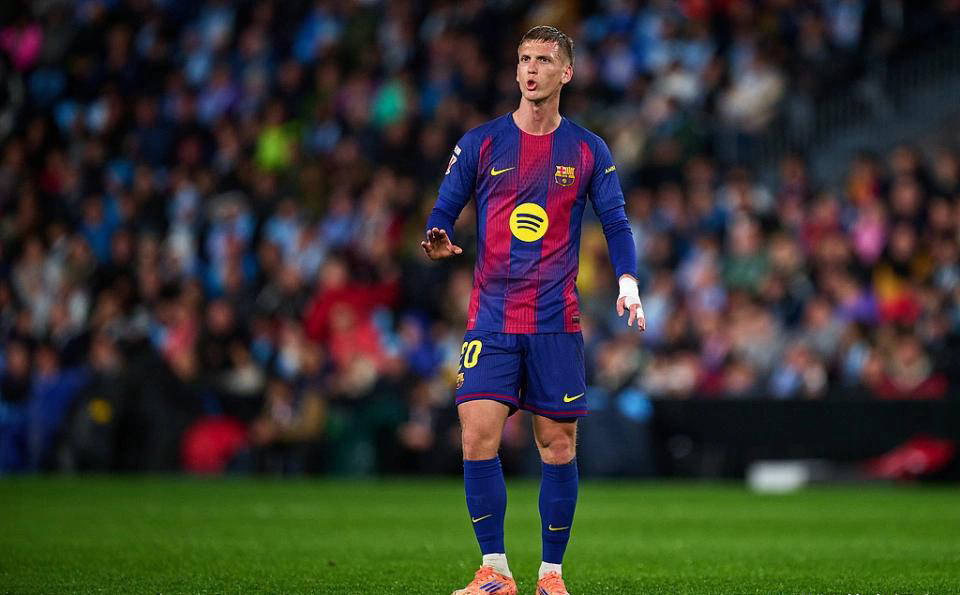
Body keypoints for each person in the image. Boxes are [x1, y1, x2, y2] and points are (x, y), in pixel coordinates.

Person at [421, 25, 645, 595]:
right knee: (477, 437)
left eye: (544, 60)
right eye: (524, 58)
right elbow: (445, 206)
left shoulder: (588, 149)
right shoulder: (481, 142)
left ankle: (551, 576)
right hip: (492, 318)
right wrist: (438, 234)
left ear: (565, 72)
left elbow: (616, 222)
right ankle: (494, 571)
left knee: (558, 446)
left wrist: (627, 281)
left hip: (555, 324)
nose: (531, 69)